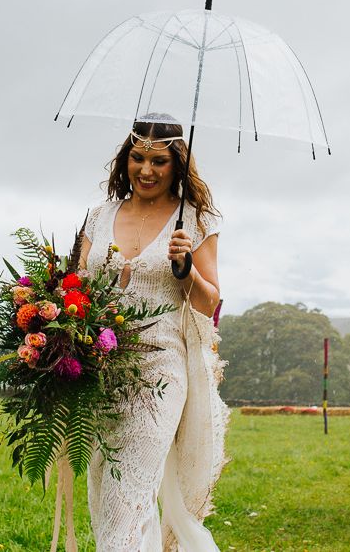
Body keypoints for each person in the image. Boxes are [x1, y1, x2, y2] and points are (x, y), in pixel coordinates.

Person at [80, 114, 228, 551]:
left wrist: (185, 269)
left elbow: (208, 302)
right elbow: (76, 286)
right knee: (107, 489)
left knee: (129, 488)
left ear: (177, 165)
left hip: (159, 372)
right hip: (99, 368)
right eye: (137, 158)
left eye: (159, 161)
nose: (146, 170)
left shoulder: (196, 220)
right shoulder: (98, 217)